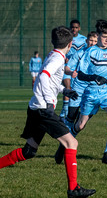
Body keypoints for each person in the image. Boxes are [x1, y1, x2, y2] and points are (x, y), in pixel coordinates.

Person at [0, 26, 96, 198]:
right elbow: (43, 77)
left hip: (35, 108)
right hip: (43, 110)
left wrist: (64, 90)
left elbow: (49, 81)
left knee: (29, 151)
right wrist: (50, 102)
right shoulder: (57, 60)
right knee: (71, 143)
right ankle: (73, 189)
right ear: (70, 44)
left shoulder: (53, 55)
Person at [56, 20, 107, 166]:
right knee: (80, 125)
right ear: (99, 35)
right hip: (91, 94)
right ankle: (64, 145)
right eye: (104, 36)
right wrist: (94, 77)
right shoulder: (90, 52)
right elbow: (80, 74)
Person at [55, 31, 99, 164]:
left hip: (93, 93)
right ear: (86, 41)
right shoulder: (80, 54)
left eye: (95, 41)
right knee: (70, 119)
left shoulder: (101, 56)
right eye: (91, 40)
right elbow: (67, 68)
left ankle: (63, 146)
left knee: (80, 125)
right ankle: (63, 148)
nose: (93, 43)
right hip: (78, 91)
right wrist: (71, 72)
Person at [60, 19, 87, 120]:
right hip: (67, 67)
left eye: (76, 27)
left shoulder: (84, 40)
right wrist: (64, 56)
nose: (74, 29)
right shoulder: (66, 38)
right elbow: (61, 50)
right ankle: (65, 109)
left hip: (78, 69)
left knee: (76, 91)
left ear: (79, 28)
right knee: (68, 87)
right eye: (72, 27)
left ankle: (74, 110)